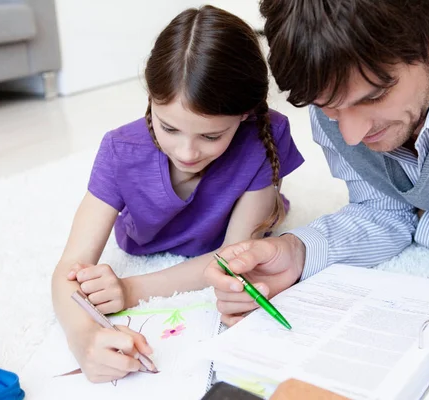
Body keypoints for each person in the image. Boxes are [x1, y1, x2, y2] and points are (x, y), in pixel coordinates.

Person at [205, 0, 429, 327]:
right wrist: (296, 252)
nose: (350, 135)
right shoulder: (330, 86)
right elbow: (383, 207)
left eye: (374, 96)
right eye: (328, 106)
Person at [51, 5, 304, 382]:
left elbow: (232, 260)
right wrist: (84, 336)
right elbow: (68, 270)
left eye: (211, 136)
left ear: (246, 115)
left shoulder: (266, 135)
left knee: (266, 230)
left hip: (243, 230)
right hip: (147, 241)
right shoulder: (121, 150)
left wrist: (129, 288)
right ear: (151, 97)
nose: (187, 153)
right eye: (169, 127)